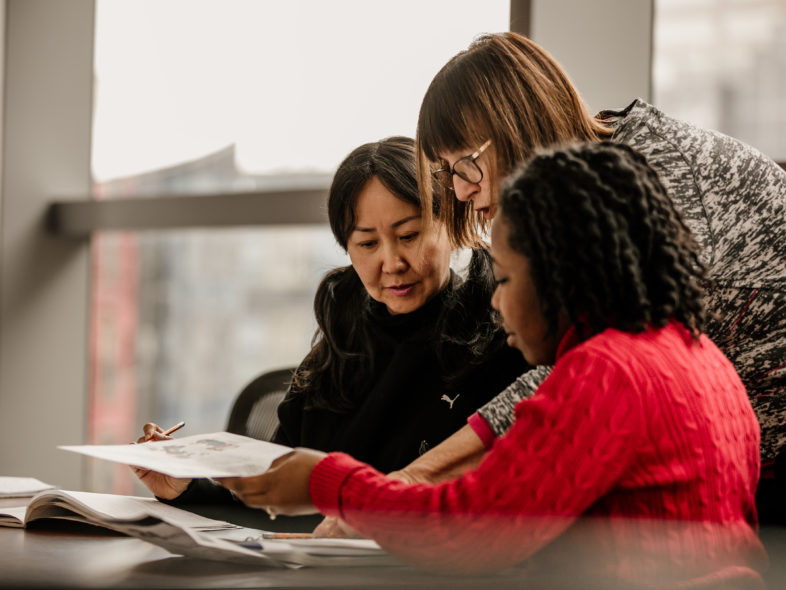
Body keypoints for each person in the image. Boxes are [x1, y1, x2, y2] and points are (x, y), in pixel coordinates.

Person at [219, 142, 767, 588]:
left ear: (557, 275)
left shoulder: (606, 373)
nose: (498, 302)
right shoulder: (699, 356)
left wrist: (326, 480)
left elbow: (469, 529)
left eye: (504, 279)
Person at [385, 32, 785, 525]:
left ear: (516, 127)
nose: (463, 190)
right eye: (449, 173)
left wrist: (407, 484)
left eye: (467, 164)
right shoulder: (590, 187)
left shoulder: (643, 183)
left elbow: (577, 383)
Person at [133, 136, 527, 528]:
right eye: (368, 243)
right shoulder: (340, 341)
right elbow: (271, 506)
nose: (391, 262)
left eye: (409, 235)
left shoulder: (498, 340)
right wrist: (184, 489)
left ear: (449, 224)